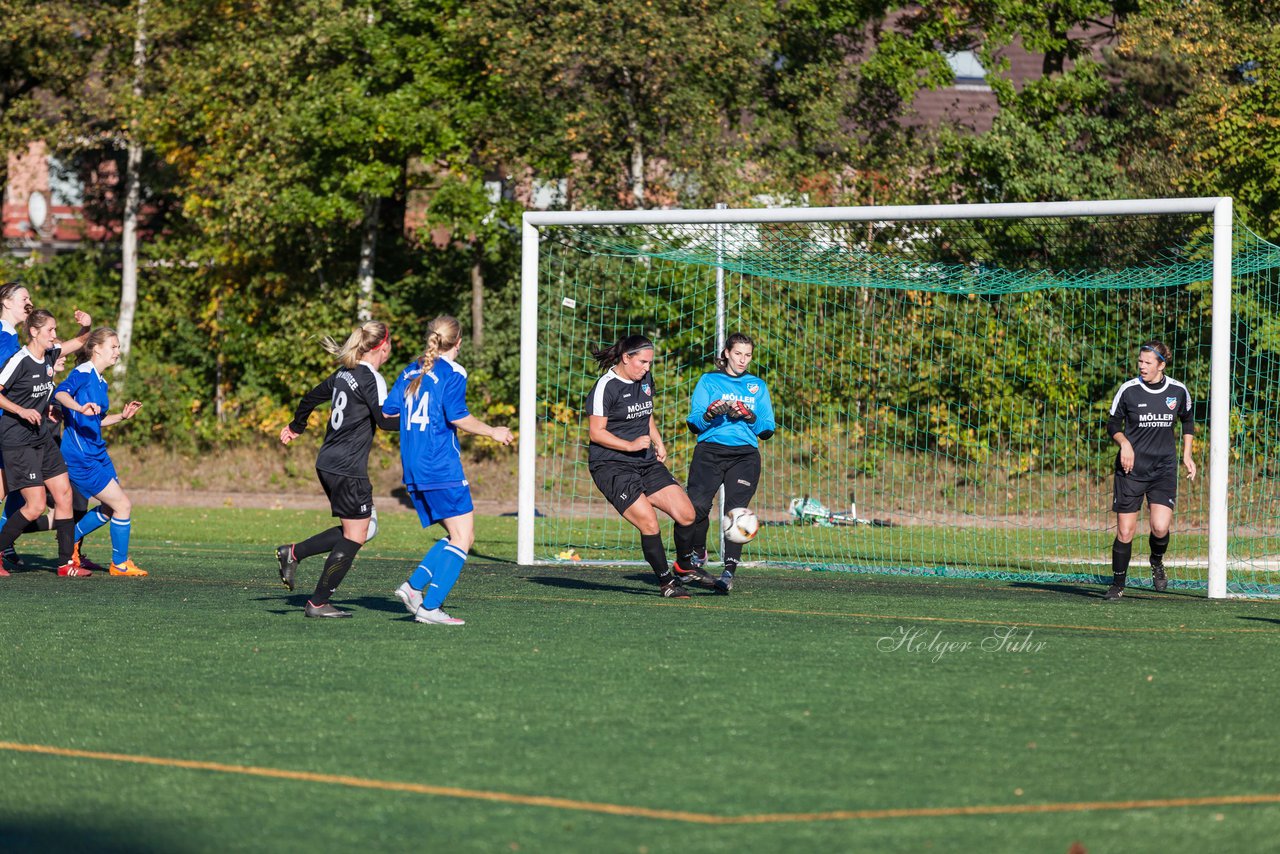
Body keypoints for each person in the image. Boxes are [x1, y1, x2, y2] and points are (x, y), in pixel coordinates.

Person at [385, 315, 513, 626]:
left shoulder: (410, 369)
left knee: (460, 536)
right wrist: (492, 431)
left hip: (413, 465)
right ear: (458, 343)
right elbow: (458, 417)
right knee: (463, 535)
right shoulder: (454, 371)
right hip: (439, 463)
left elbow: (388, 413)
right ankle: (429, 606)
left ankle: (414, 587)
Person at [276, 321, 397, 617]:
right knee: (358, 534)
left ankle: (293, 553)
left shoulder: (345, 373)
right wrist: (421, 424)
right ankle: (318, 603)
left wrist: (296, 426)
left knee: (359, 529)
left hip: (328, 463)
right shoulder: (371, 378)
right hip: (347, 468)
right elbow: (384, 421)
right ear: (383, 346)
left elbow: (310, 398)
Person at [584, 333, 697, 598]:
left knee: (686, 514)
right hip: (611, 466)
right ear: (626, 358)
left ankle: (684, 567)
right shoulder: (605, 387)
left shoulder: (643, 378)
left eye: (650, 363)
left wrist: (658, 441)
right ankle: (666, 582)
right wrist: (631, 445)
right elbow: (596, 433)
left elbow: (646, 413)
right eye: (643, 362)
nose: (647, 368)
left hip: (644, 461)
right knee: (649, 522)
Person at [672, 332, 775, 595]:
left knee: (736, 512)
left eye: (748, 355)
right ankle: (698, 553)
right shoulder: (709, 380)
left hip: (744, 457)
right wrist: (710, 412)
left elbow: (767, 429)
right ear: (726, 353)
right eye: (738, 353)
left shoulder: (757, 386)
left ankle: (728, 572)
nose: (743, 360)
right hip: (709, 452)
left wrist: (750, 415)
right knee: (696, 507)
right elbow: (695, 422)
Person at [0, 308, 92, 576]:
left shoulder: (50, 354)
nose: (55, 334)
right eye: (50, 330)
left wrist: (86, 326)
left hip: (41, 437)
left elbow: (80, 342)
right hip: (18, 439)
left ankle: (66, 564)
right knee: (36, 505)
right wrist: (20, 410)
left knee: (64, 495)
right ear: (34, 332)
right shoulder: (19, 361)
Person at [1103, 339, 1196, 600]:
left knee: (1160, 527)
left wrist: (1187, 455)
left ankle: (1156, 562)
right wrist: (1124, 444)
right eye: (1140, 362)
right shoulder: (1128, 390)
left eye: (1147, 362)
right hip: (1130, 469)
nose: (1142, 367)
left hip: (1163, 469)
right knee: (1125, 531)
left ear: (1161, 365)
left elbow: (1188, 421)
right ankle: (1118, 585)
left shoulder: (1178, 391)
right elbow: (1113, 424)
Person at [53, 327, 146, 576]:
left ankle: (69, 540)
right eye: (113, 347)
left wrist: (122, 417)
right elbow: (59, 393)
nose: (118, 352)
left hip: (98, 453)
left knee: (109, 508)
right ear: (96, 349)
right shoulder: (83, 372)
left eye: (118, 347)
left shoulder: (100, 380)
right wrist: (79, 408)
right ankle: (119, 564)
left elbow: (97, 420)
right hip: (81, 456)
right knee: (123, 506)